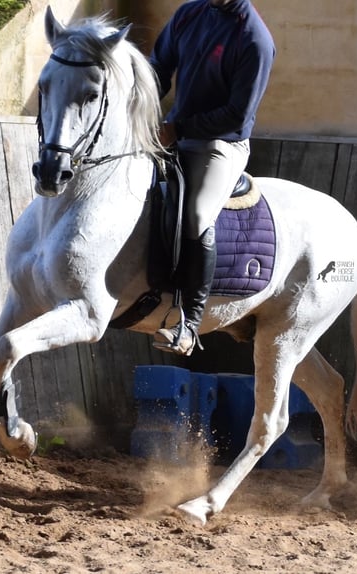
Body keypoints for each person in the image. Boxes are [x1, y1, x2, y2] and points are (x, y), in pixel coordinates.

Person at [149, 0, 276, 356]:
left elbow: (237, 115)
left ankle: (189, 324)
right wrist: (141, 102)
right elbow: (159, 64)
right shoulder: (190, 13)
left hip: (220, 144)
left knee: (197, 217)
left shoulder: (255, 40)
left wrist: (180, 128)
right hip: (173, 132)